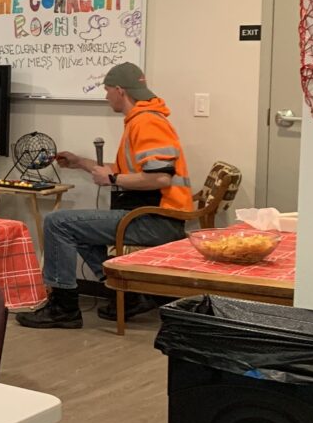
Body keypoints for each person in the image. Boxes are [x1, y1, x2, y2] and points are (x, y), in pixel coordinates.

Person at [17, 62, 192, 328]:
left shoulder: (147, 123)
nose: (106, 95)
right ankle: (128, 293)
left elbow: (160, 177)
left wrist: (112, 179)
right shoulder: (143, 119)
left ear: (120, 91)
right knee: (77, 230)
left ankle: (64, 306)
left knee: (57, 223)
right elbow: (132, 170)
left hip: (156, 220)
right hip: (149, 216)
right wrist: (81, 162)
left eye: (107, 90)